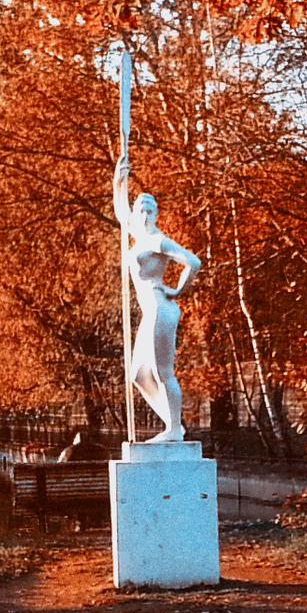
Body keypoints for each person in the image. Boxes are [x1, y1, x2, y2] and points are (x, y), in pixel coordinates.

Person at [113, 153, 202, 442]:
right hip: (150, 311)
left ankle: (174, 430)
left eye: (149, 211)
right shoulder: (138, 234)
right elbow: (120, 212)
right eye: (140, 210)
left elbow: (193, 262)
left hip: (160, 309)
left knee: (163, 372)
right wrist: (119, 180)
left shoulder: (156, 241)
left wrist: (177, 290)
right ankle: (173, 423)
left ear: (156, 214)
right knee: (138, 375)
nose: (143, 215)